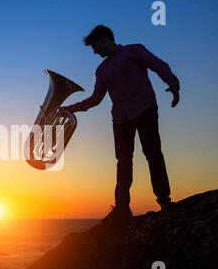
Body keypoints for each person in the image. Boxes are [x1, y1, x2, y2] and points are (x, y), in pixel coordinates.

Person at [62, 25, 180, 225]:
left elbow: (158, 65)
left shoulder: (134, 50)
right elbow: (95, 99)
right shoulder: (101, 70)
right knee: (123, 162)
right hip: (120, 119)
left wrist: (173, 84)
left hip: (145, 109)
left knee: (153, 154)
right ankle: (122, 208)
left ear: (105, 38)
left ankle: (164, 201)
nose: (94, 51)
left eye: (95, 45)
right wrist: (70, 109)